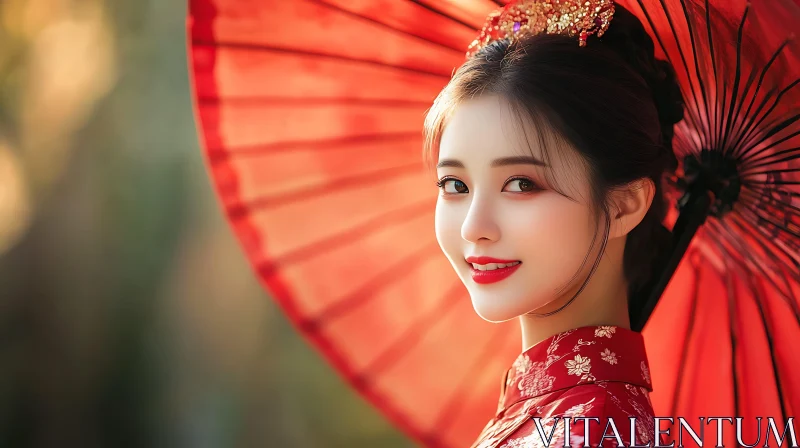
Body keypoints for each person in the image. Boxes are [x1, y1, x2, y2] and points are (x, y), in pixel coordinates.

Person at [422, 0, 684, 446]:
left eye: (521, 184)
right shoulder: (556, 414)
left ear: (623, 205)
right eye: (454, 185)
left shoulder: (592, 429)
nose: (473, 227)